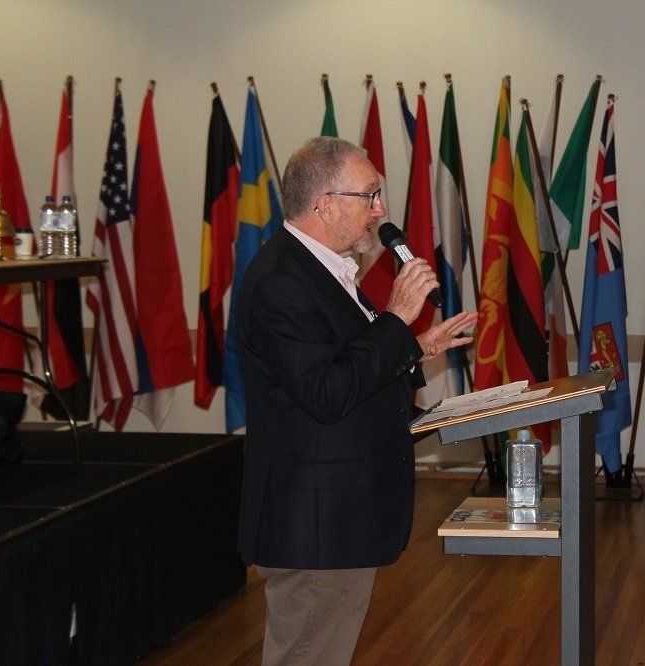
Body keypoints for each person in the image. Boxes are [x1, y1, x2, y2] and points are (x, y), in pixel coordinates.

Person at [235, 136, 478, 665]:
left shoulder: (321, 268)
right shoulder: (281, 282)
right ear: (325, 204)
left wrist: (414, 347)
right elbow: (325, 394)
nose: (380, 210)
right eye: (369, 195)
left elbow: (345, 366)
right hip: (316, 526)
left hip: (339, 518)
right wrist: (395, 318)